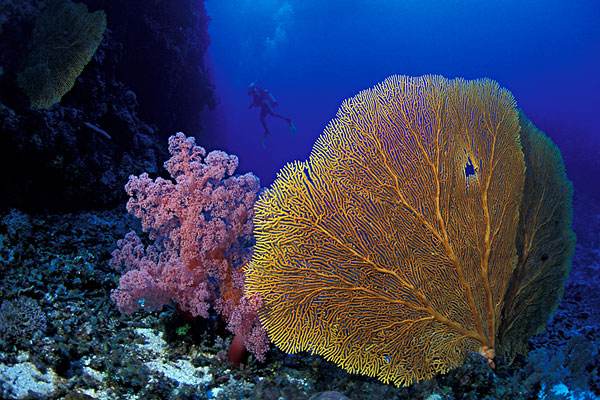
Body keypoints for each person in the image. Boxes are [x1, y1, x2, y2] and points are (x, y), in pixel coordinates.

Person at [247, 82, 295, 147]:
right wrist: (252, 105)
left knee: (271, 114)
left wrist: (253, 105)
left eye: (250, 89)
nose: (249, 91)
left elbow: (258, 100)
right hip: (264, 106)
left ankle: (287, 120)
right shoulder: (255, 93)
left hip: (265, 105)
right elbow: (257, 101)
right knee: (264, 117)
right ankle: (267, 130)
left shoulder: (255, 92)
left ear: (252, 88)